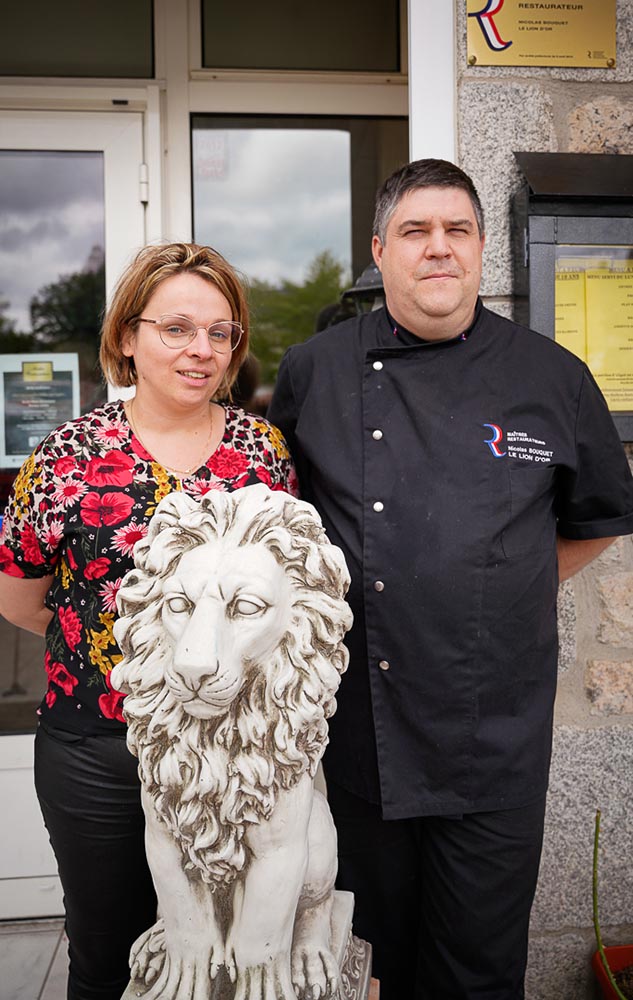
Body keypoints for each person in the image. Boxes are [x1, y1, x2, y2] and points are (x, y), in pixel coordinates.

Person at [268, 159, 633, 1000]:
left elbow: (590, 523)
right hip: (363, 729)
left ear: (479, 251)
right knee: (370, 959)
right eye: (415, 232)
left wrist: (497, 587)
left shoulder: (552, 377)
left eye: (457, 231)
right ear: (379, 251)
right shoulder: (314, 370)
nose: (439, 249)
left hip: (494, 733)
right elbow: (281, 526)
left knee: (479, 969)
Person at [0, 242, 296, 1000]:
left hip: (233, 756)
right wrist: (127, 651)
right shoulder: (68, 453)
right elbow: (20, 599)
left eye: (221, 332)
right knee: (110, 955)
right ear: (127, 337)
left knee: (223, 958)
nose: (201, 349)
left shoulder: (262, 453)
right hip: (97, 751)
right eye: (177, 328)